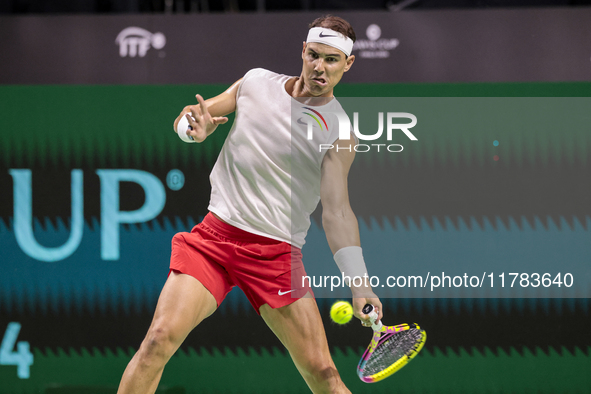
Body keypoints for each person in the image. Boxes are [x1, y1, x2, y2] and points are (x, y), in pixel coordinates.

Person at [117, 15, 383, 394]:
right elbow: (194, 116)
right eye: (314, 55)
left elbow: (337, 212)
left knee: (323, 373)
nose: (320, 67)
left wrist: (360, 285)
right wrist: (192, 130)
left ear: (348, 64)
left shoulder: (339, 132)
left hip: (275, 255)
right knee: (158, 340)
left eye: (332, 60)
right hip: (214, 239)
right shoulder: (256, 83)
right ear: (303, 52)